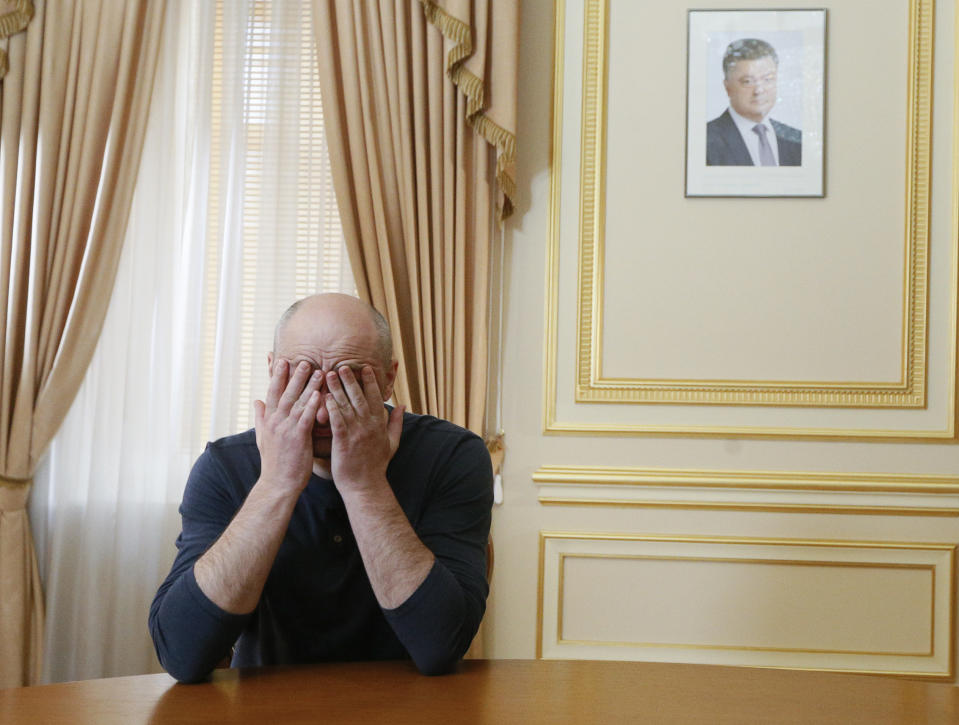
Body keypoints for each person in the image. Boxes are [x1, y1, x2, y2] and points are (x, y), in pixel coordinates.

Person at [149, 293, 493, 682]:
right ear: (272, 371)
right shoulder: (226, 465)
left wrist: (365, 486)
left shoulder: (452, 457)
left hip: (410, 708)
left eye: (348, 381)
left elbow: (439, 649)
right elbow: (181, 653)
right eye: (302, 377)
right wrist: (276, 484)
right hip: (265, 709)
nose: (323, 409)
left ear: (388, 380)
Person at [706, 38, 801, 167]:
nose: (759, 90)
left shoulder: (796, 139)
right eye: (748, 81)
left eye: (768, 79)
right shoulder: (706, 140)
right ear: (727, 87)